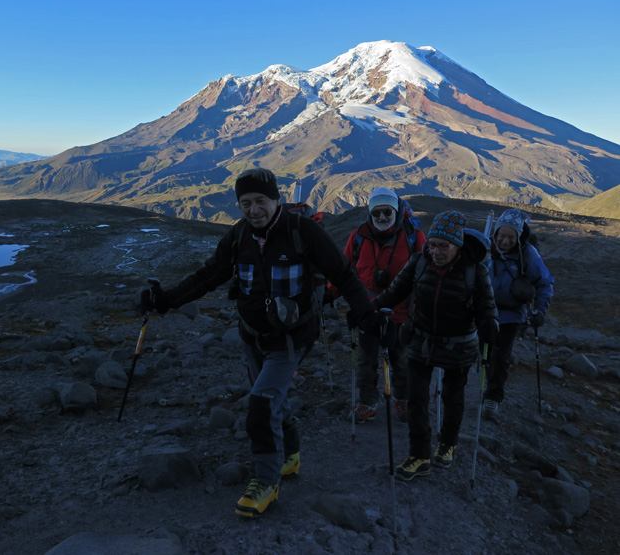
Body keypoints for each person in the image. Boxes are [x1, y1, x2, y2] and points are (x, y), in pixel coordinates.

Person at [140, 168, 376, 517]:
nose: (253, 210)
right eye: (245, 203)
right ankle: (290, 456)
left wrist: (366, 312)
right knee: (272, 401)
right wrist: (167, 300)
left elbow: (343, 273)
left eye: (260, 201)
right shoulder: (239, 236)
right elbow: (210, 275)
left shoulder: (304, 232)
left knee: (262, 404)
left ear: (276, 200)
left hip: (292, 338)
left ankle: (266, 481)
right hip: (251, 334)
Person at [368, 211, 498, 480]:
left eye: (443, 246)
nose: (435, 251)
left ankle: (447, 444)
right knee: (416, 399)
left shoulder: (475, 271)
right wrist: (367, 310)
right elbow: (394, 293)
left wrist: (490, 327)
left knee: (453, 398)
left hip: (458, 346)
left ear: (457, 245)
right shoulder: (418, 262)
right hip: (420, 339)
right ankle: (419, 455)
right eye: (432, 244)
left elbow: (487, 308)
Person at [327, 187, 425, 423]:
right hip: (367, 309)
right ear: (370, 214)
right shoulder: (359, 236)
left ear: (396, 212)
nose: (381, 218)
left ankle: (403, 400)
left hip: (402, 311)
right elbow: (345, 271)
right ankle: (368, 402)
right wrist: (328, 294)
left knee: (401, 358)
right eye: (377, 213)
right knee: (366, 358)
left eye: (387, 213)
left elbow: (424, 274)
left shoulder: (413, 236)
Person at [483, 208, 554, 419]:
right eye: (501, 236)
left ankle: (492, 397)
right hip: (485, 312)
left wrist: (540, 310)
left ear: (519, 236)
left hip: (512, 314)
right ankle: (488, 386)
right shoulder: (486, 249)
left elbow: (545, 282)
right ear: (495, 234)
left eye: (511, 237)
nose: (505, 241)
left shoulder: (528, 254)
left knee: (500, 356)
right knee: (485, 352)